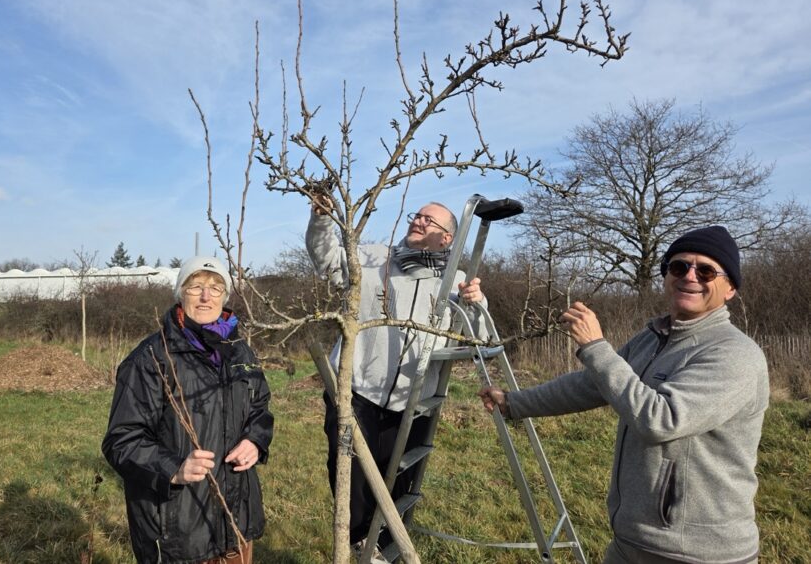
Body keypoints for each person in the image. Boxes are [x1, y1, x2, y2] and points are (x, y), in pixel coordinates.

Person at [478, 226, 769, 564]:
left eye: (706, 271)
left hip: (698, 553)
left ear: (730, 288)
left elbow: (661, 420)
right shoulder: (654, 338)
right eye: (679, 267)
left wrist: (595, 346)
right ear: (666, 276)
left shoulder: (734, 354)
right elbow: (593, 384)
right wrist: (513, 402)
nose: (690, 276)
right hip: (632, 542)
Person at [307, 199, 487, 553]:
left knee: (397, 479)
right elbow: (327, 258)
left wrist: (476, 304)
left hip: (413, 401)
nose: (418, 221)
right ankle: (359, 544)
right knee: (351, 473)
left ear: (446, 238)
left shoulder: (457, 282)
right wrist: (321, 220)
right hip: (356, 390)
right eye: (416, 215)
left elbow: (478, 340)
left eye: (428, 220)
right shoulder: (373, 258)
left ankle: (386, 549)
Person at [102, 256, 274, 564]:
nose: (206, 296)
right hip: (178, 532)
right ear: (181, 293)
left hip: (236, 521)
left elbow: (260, 407)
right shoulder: (151, 358)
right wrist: (173, 468)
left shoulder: (240, 352)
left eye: (216, 287)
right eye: (196, 286)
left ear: (225, 296)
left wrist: (255, 440)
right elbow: (121, 440)